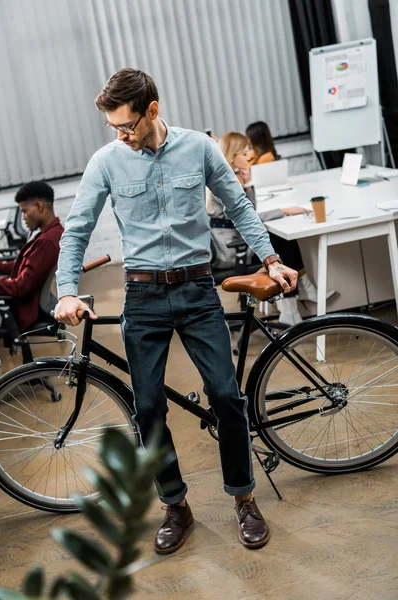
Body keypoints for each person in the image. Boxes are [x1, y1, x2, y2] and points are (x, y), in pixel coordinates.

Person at [54, 68, 298, 554]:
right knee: (148, 408)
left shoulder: (199, 148)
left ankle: (244, 499)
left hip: (196, 291)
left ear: (153, 110)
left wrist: (271, 258)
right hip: (142, 297)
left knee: (227, 398)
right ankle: (176, 506)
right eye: (113, 128)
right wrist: (65, 289)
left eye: (128, 126)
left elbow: (239, 206)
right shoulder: (105, 161)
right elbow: (77, 228)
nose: (121, 136)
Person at [208, 132, 332, 325]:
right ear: (232, 157)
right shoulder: (223, 182)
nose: (249, 156)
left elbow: (250, 210)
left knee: (282, 237)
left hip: (235, 241)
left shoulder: (233, 177)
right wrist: (282, 210)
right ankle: (294, 304)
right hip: (232, 249)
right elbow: (247, 217)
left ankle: (300, 295)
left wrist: (248, 183)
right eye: (244, 153)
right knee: (280, 237)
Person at [0, 181, 63, 334]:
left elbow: (20, 287)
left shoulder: (47, 241)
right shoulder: (50, 234)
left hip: (24, 313)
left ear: (39, 207)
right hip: (27, 305)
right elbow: (24, 264)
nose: (24, 218)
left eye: (25, 212)